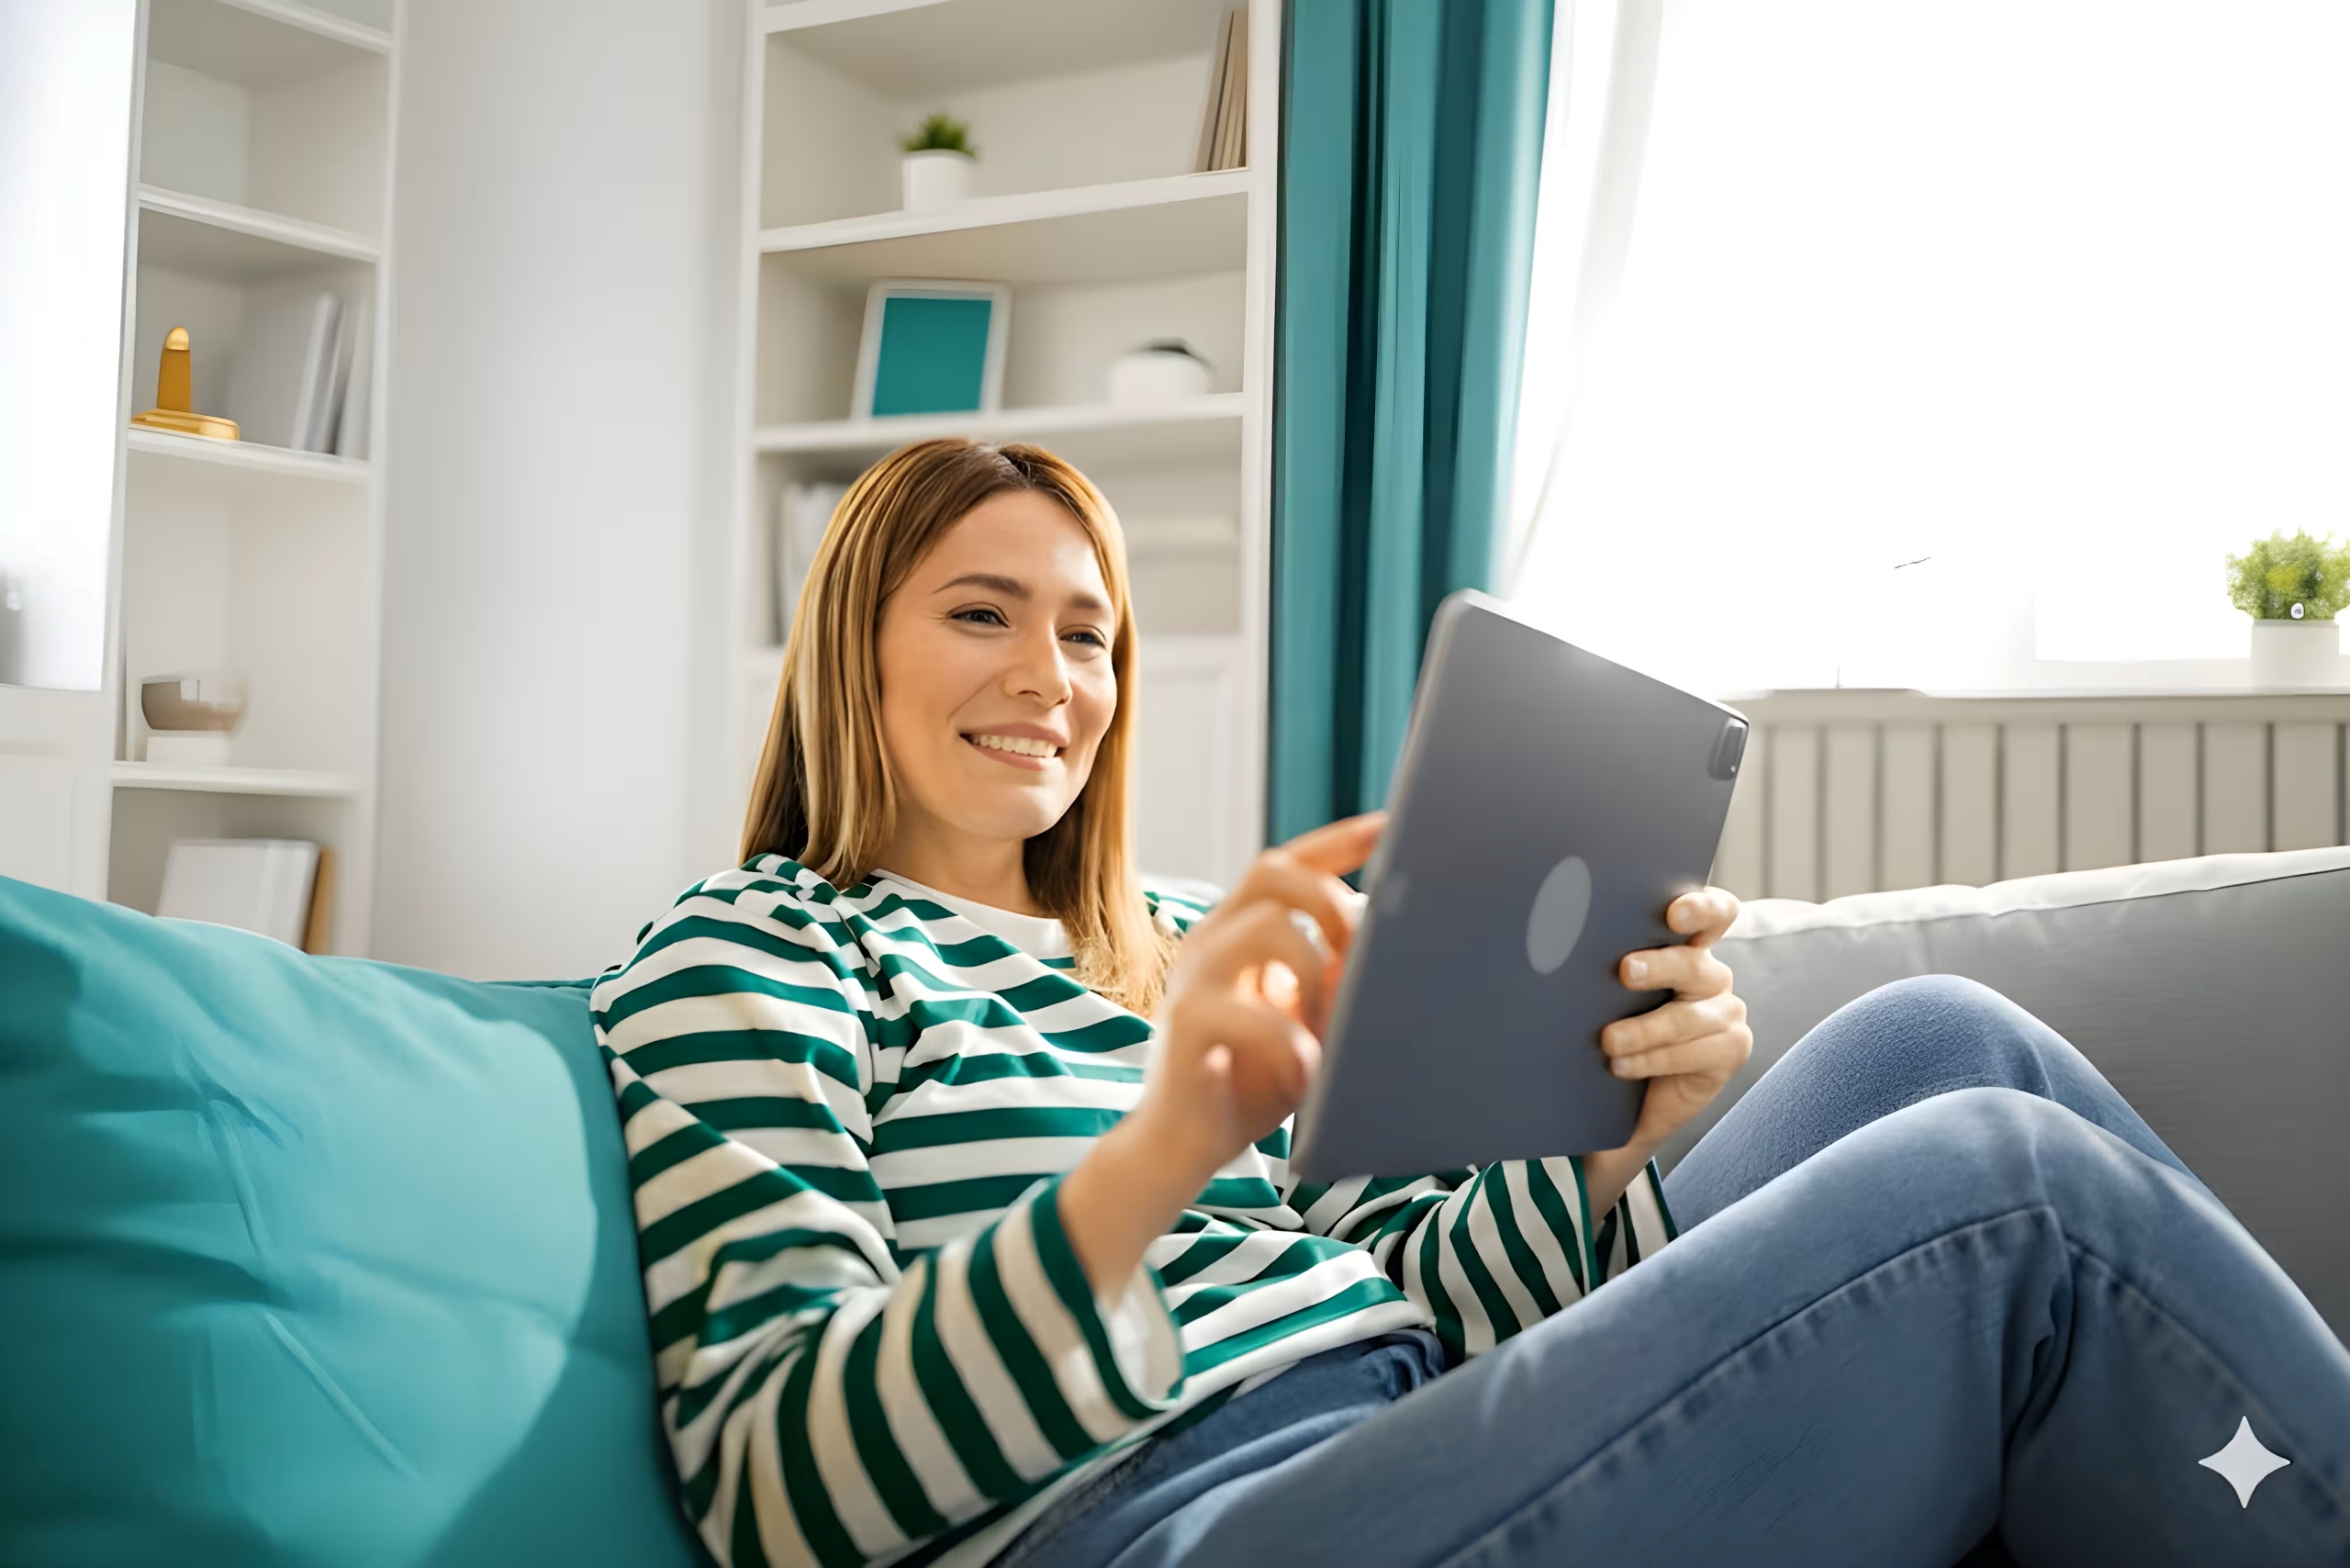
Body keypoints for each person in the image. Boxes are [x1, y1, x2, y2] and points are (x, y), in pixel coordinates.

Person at [592, 438, 2350, 1568]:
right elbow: (778, 1484)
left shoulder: (1186, 936)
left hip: (1410, 1421)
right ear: (854, 640)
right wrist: (1159, 1152)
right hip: (1175, 1516)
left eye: (1090, 633)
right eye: (984, 614)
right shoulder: (758, 948)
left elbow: (1415, 1284)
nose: (1051, 678)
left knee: (1938, 1041)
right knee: (2005, 1189)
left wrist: (1614, 1151)